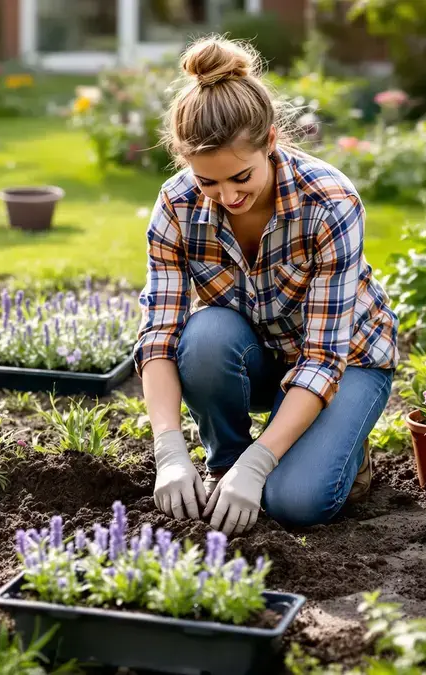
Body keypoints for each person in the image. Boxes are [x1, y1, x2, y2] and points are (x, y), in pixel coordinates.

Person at [132, 36, 399, 536]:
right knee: (206, 334)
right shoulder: (177, 205)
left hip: (345, 361)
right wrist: (168, 448)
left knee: (295, 503)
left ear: (271, 141)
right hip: (254, 353)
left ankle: (326, 456)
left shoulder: (329, 203)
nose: (226, 196)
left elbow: (323, 358)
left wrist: (262, 465)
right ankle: (225, 467)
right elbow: (159, 337)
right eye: (207, 182)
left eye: (240, 177)